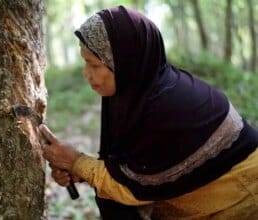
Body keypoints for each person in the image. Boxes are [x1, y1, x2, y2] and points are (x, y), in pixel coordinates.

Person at [39, 5, 258, 220]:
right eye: (85, 63)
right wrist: (80, 171)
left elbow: (135, 189)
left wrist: (78, 163)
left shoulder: (167, 105)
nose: (87, 74)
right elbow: (136, 169)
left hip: (241, 200)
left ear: (125, 62)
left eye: (94, 65)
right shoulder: (133, 96)